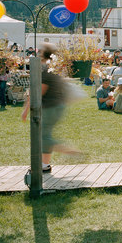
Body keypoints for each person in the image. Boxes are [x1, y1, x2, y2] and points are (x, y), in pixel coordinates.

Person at [21, 43, 81, 172]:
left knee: (44, 137)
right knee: (45, 135)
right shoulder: (53, 68)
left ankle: (70, 151)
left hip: (50, 107)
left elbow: (38, 92)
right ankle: (45, 165)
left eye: (40, 52)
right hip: (57, 105)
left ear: (42, 54)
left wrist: (25, 110)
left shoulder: (45, 71)